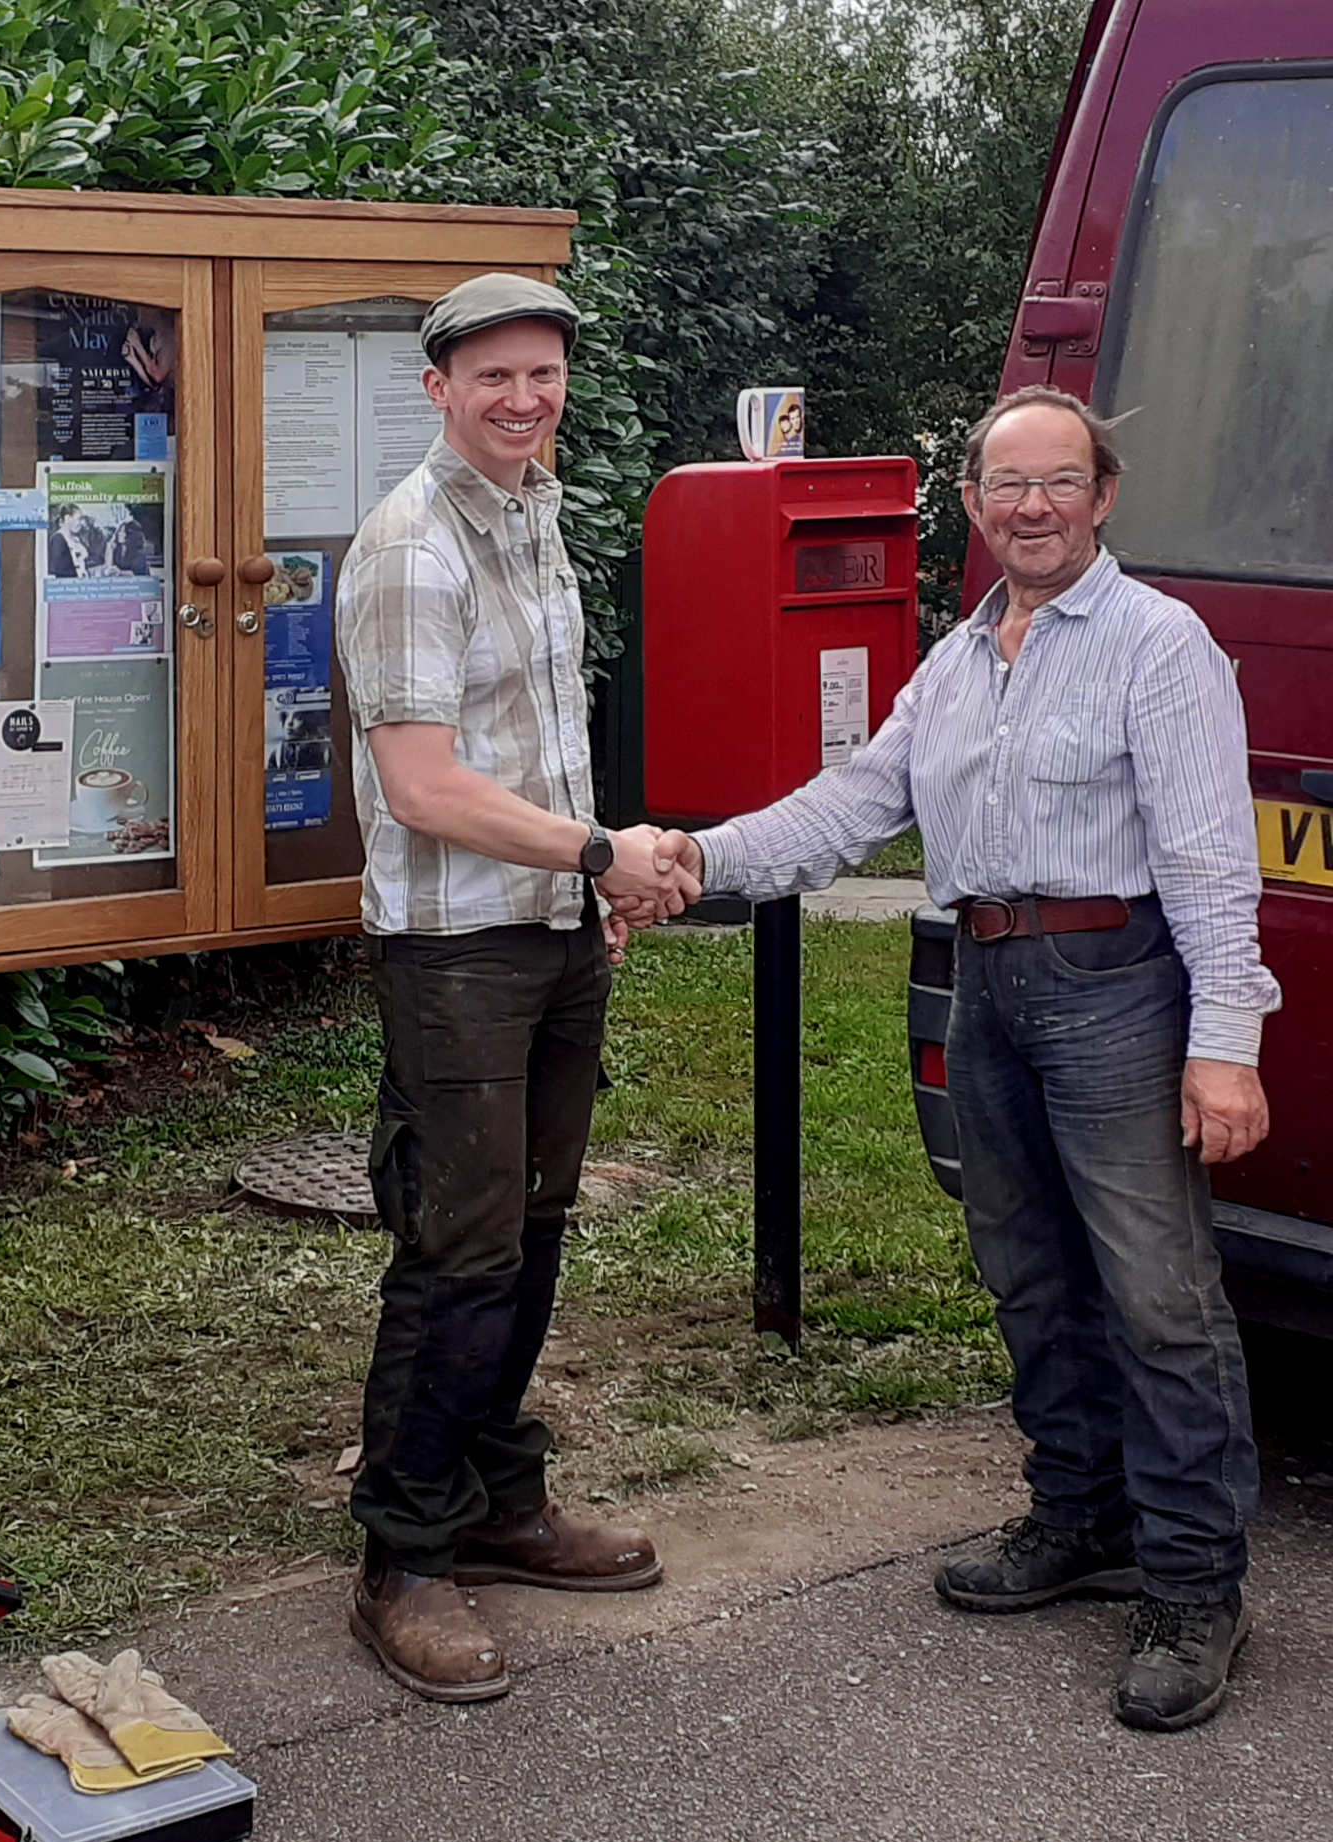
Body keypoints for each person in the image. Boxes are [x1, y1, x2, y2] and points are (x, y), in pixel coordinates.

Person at [639, 387, 1278, 1734]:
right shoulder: (960, 657)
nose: (1030, 508)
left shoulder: (1163, 648)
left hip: (1116, 986)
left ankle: (1191, 1586)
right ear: (976, 509)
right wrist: (702, 861)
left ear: (1102, 498)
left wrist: (1226, 1046)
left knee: (1160, 1297)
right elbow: (854, 804)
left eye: (1058, 483)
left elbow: (1215, 862)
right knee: (1029, 1273)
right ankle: (1080, 1519)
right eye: (1005, 486)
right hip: (985, 979)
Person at [335, 272, 699, 1704]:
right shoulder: (413, 547)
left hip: (547, 934)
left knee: (534, 1225)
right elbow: (423, 787)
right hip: (456, 956)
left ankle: (496, 1495)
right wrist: (607, 853)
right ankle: (401, 1560)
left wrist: (585, 884)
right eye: (495, 378)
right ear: (437, 387)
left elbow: (538, 743)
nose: (524, 401)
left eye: (543, 376)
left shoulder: (538, 519)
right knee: (460, 1246)